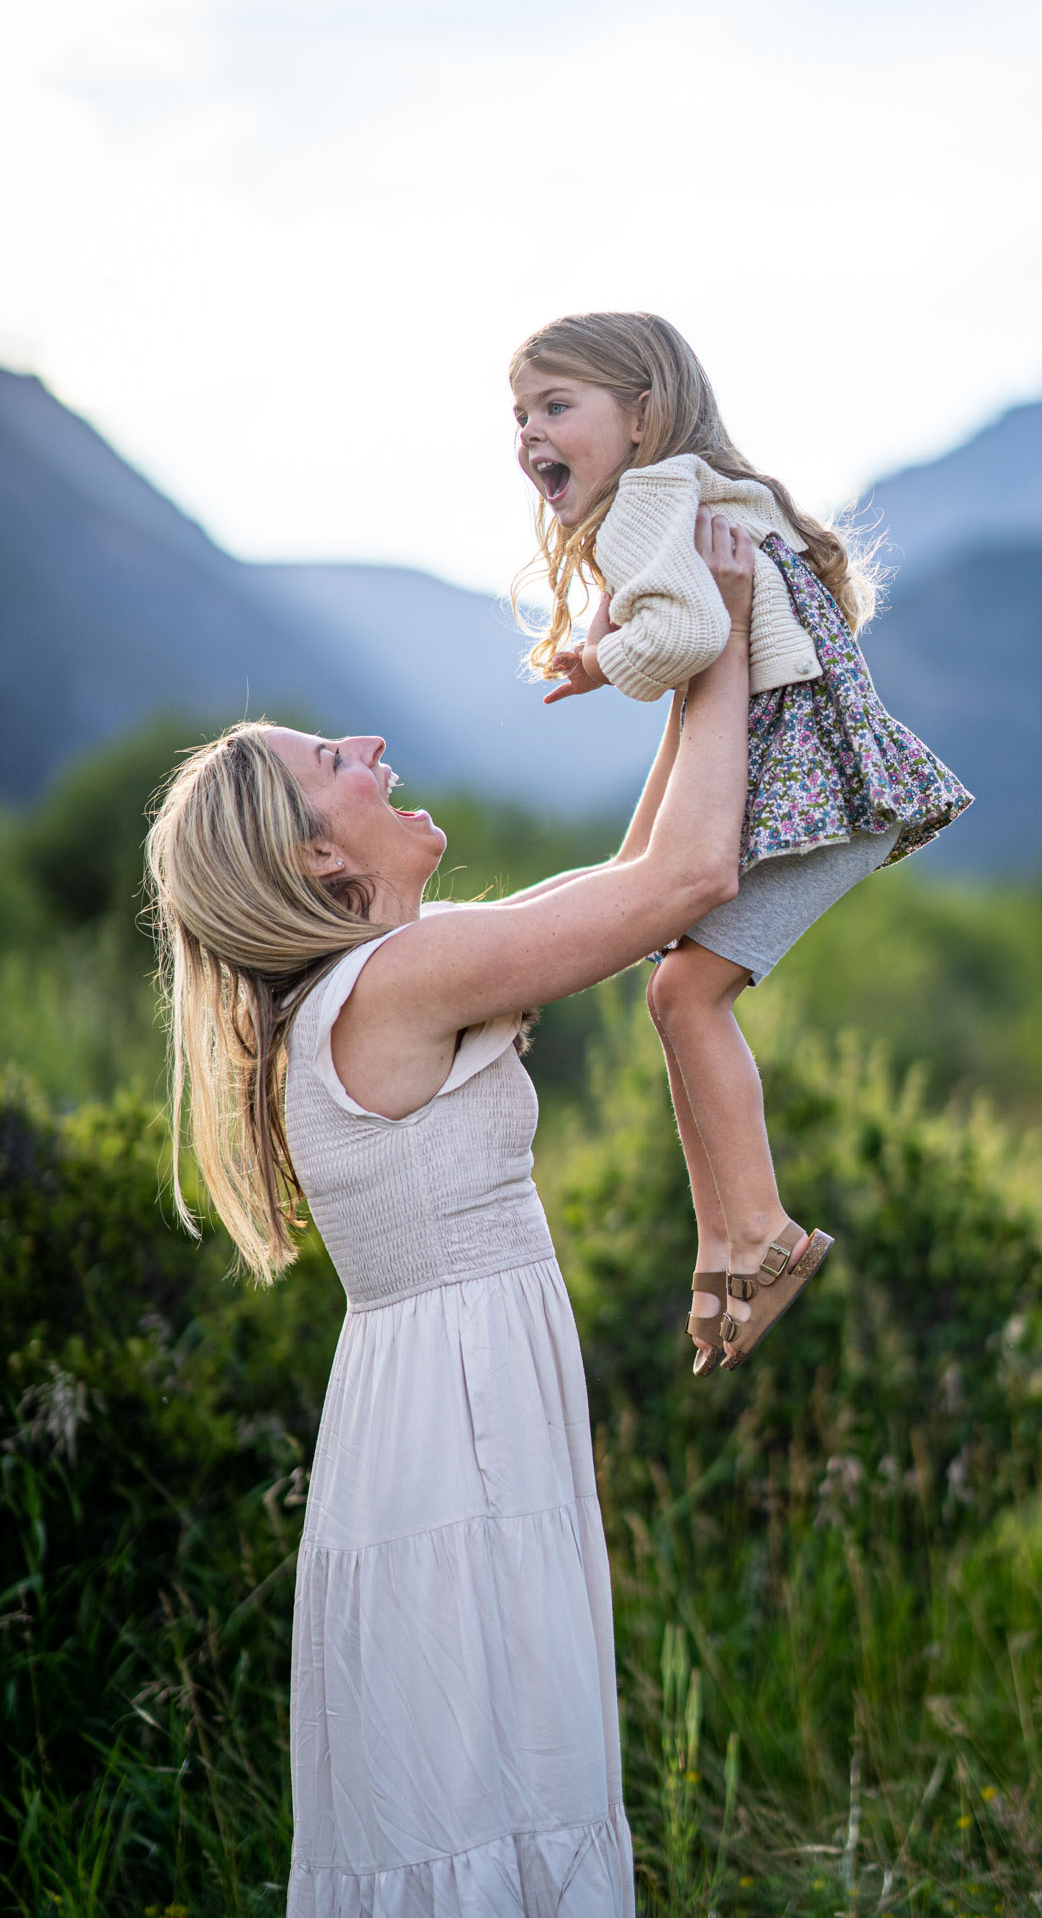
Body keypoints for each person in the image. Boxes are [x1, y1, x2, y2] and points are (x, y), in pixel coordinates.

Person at [142, 514, 755, 1918]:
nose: (366, 746)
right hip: (458, 1421)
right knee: (491, 1779)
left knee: (478, 1777)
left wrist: (687, 672)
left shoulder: (386, 982)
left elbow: (633, 880)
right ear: (318, 865)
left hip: (438, 1403)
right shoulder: (401, 983)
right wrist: (713, 646)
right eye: (330, 763)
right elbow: (689, 884)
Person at [510, 311, 973, 1375]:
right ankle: (725, 1243)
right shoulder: (704, 495)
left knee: (682, 994)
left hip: (814, 788)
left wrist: (600, 660)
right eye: (522, 412)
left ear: (643, 416)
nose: (531, 431)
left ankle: (760, 1229)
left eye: (556, 405)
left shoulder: (652, 503)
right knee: (674, 984)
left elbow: (688, 635)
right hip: (810, 773)